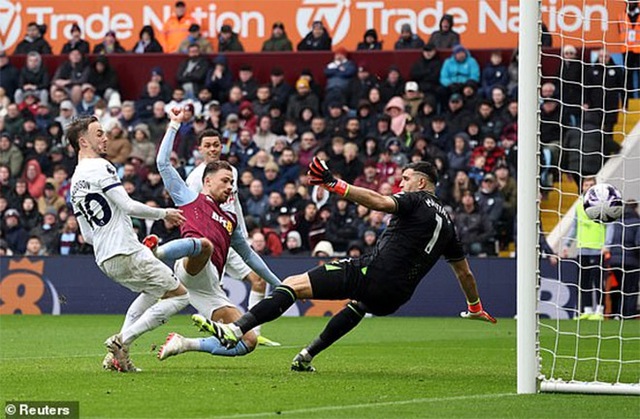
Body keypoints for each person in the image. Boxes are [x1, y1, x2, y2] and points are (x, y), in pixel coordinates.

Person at [194, 159, 496, 372]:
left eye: (405, 179)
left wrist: (334, 184)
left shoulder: (415, 200)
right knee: (358, 306)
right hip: (396, 297)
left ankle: (236, 329)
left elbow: (379, 202)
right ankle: (306, 356)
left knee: (292, 284)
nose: (400, 184)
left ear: (420, 182)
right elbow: (464, 272)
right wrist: (474, 306)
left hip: (373, 274)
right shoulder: (448, 225)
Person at [148, 109, 282, 360]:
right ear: (207, 182)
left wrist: (278, 283)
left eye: (232, 182)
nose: (230, 186)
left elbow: (252, 258)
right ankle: (156, 252)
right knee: (205, 245)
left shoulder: (231, 220)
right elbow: (163, 164)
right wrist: (174, 125)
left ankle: (184, 343)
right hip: (192, 263)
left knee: (247, 341)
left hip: (208, 289)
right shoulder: (190, 196)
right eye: (225, 181)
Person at [67, 115, 189, 372]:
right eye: (99, 133)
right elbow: (128, 205)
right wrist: (163, 213)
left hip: (105, 259)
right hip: (124, 250)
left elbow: (87, 236)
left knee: (154, 291)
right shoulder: (101, 167)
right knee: (181, 296)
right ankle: (122, 341)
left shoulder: (74, 182)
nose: (106, 137)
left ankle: (116, 359)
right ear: (83, 141)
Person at [562, 177, 606, 320]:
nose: (588, 187)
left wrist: (608, 244)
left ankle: (599, 310)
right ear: (582, 187)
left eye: (591, 185)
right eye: (586, 185)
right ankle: (587, 310)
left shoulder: (603, 203)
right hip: (582, 247)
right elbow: (575, 226)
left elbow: (609, 225)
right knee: (584, 281)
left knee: (598, 281)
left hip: (598, 247)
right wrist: (566, 245)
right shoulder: (579, 204)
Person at [604, 201, 639, 318]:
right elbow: (638, 243)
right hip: (632, 261)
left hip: (615, 260)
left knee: (617, 287)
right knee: (630, 288)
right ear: (636, 208)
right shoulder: (637, 222)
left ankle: (615, 313)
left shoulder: (617, 221)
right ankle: (628, 314)